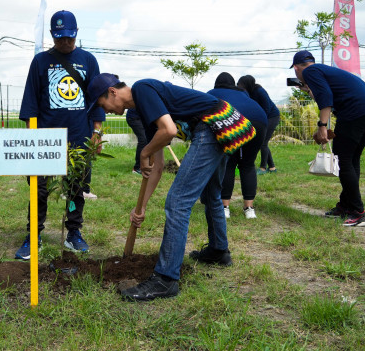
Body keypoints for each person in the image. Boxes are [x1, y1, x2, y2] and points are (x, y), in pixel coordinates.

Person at [88, 73, 256, 301]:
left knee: (177, 202)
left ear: (112, 92)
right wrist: (142, 207)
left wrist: (144, 152)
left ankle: (165, 280)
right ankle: (218, 251)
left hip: (214, 125)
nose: (104, 111)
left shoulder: (142, 89)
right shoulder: (141, 112)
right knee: (211, 192)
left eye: (102, 104)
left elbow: (169, 130)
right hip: (225, 121)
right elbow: (157, 167)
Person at [16, 10, 105, 260]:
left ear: (76, 34)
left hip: (80, 137)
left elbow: (97, 100)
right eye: (59, 38)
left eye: (68, 37)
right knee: (39, 189)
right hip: (46, 138)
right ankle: (34, 235)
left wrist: (97, 132)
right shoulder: (40, 62)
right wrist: (31, 143)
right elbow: (31, 103)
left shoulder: (88, 60)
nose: (64, 42)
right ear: (52, 36)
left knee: (77, 188)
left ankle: (73, 233)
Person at [291, 50, 365, 227]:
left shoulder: (309, 72)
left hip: (355, 111)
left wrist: (322, 126)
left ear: (296, 68)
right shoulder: (321, 70)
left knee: (343, 160)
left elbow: (326, 99)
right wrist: (310, 90)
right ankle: (346, 206)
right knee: (351, 159)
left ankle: (357, 212)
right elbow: (325, 94)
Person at [208, 72, 267, 219]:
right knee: (247, 164)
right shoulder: (243, 93)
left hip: (235, 121)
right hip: (259, 122)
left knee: (229, 163)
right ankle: (249, 209)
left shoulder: (212, 93)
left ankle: (224, 208)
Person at [237, 75, 280, 175]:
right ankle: (272, 167)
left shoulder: (259, 91)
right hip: (263, 117)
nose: (239, 87)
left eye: (241, 85)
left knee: (263, 142)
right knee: (263, 142)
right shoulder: (247, 93)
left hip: (271, 116)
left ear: (247, 84)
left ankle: (263, 168)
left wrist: (262, 123)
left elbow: (267, 108)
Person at [126, 108, 147, 175]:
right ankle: (137, 168)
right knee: (143, 140)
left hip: (142, 118)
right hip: (134, 118)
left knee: (149, 139)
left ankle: (148, 163)